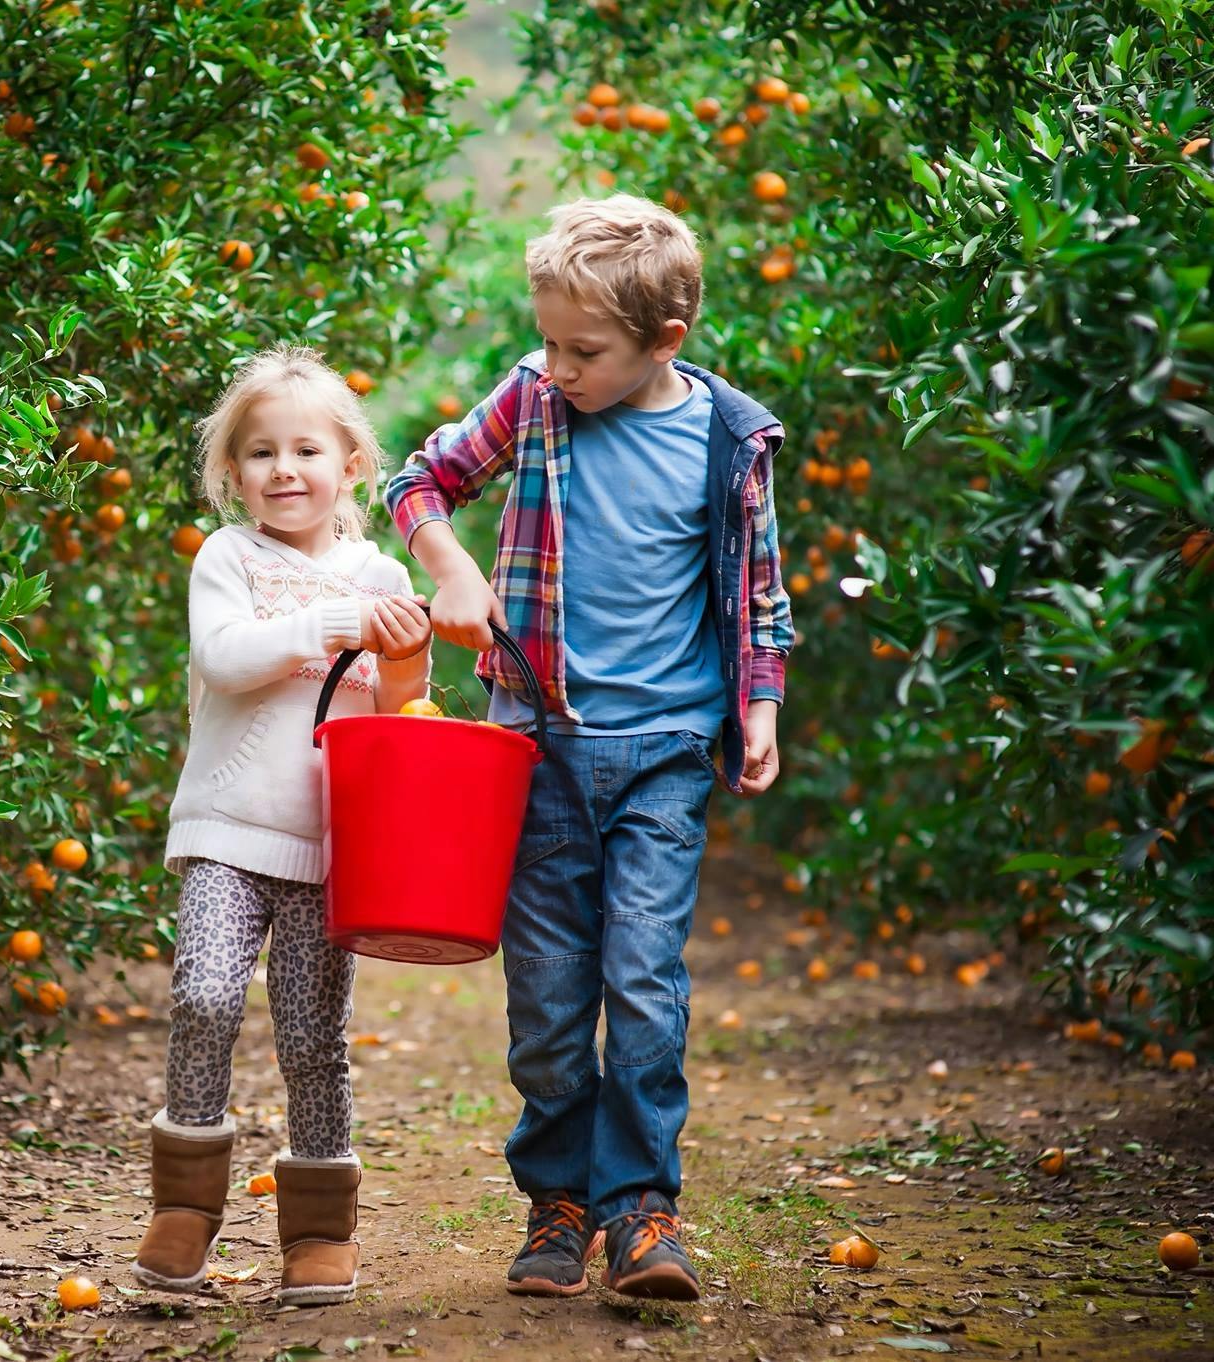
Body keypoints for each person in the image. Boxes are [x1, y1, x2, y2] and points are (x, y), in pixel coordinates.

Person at [384, 194, 794, 1301]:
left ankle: (640, 1211)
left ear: (664, 340)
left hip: (664, 749)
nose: (557, 364)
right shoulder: (533, 400)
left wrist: (757, 707)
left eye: (583, 348)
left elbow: (758, 599)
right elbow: (415, 480)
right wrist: (450, 569)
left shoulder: (728, 440)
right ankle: (555, 1201)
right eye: (550, 340)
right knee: (552, 995)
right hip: (541, 750)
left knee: (643, 987)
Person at [135, 344, 432, 1307]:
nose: (284, 470)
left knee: (313, 1037)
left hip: (329, 846)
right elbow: (225, 660)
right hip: (227, 827)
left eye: (306, 450)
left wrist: (403, 654)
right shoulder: (228, 558)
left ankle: (317, 1224)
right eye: (260, 453)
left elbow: (400, 715)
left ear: (351, 464)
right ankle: (184, 1208)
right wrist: (337, 627)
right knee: (206, 998)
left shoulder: (378, 569)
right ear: (233, 473)